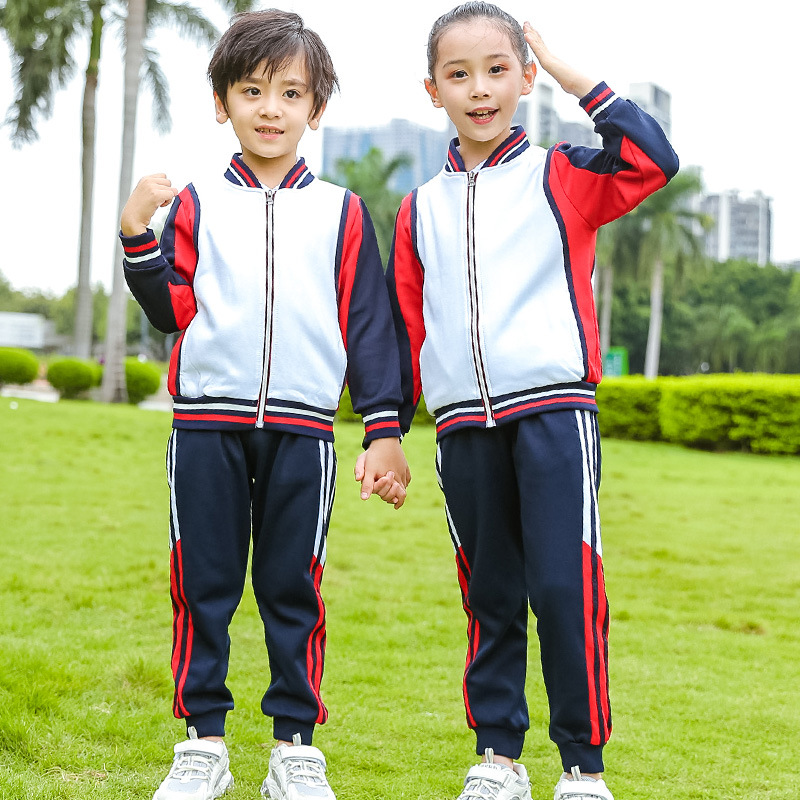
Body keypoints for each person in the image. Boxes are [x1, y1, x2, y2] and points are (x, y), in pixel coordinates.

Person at [386, 3, 679, 800]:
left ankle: (583, 767)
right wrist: (388, 431)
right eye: (458, 75)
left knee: (563, 586)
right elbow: (406, 328)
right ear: (433, 89)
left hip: (553, 415)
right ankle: (497, 757)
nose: (479, 89)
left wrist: (573, 76)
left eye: (497, 70)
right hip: (462, 428)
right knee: (489, 594)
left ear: (523, 78)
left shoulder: (564, 176)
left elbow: (654, 159)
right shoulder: (418, 209)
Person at [119, 10, 410, 800]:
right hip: (205, 425)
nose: (270, 108)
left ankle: (294, 749)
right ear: (222, 104)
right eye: (251, 91)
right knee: (203, 584)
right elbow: (171, 310)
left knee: (293, 587)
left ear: (316, 107)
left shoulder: (343, 211)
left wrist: (383, 429)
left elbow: (369, 327)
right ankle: (202, 744)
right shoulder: (196, 203)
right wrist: (137, 234)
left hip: (304, 430)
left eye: (290, 92)